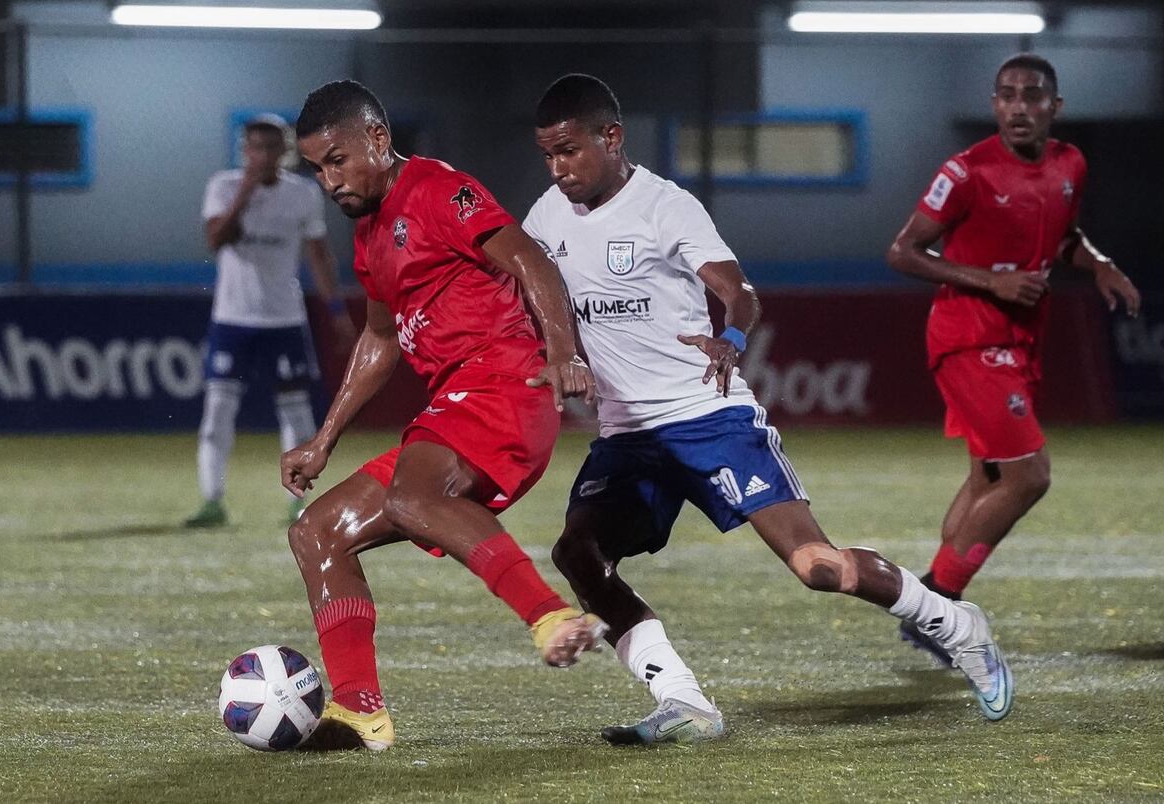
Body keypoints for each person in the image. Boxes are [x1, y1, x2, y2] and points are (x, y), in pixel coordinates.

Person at [524, 73, 1015, 745]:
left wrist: (730, 336)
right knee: (578, 553)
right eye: (548, 155)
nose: (559, 169)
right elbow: (530, 292)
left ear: (612, 137)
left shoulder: (667, 207)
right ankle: (683, 700)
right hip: (629, 434)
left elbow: (739, 291)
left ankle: (957, 625)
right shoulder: (546, 216)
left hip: (707, 417)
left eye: (570, 151)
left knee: (817, 567)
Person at [282, 80, 605, 751]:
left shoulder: (436, 189)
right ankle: (359, 710)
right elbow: (379, 339)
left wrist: (564, 352)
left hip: (504, 384)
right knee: (317, 531)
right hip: (458, 402)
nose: (328, 181)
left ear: (376, 138)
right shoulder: (368, 238)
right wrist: (325, 437)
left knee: (411, 493)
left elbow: (531, 259)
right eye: (316, 170)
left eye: (336, 160)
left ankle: (548, 616)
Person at [887, 54, 1141, 663]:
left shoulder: (1070, 163)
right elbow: (903, 251)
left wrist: (1099, 264)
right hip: (968, 336)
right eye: (1006, 96)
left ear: (1055, 106)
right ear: (995, 105)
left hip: (1021, 341)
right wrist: (988, 282)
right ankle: (937, 605)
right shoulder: (967, 171)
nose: (1018, 106)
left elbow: (1067, 238)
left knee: (991, 477)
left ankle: (930, 609)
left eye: (1032, 96)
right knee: (1029, 473)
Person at [186, 113, 355, 528]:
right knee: (217, 415)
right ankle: (212, 501)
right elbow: (214, 240)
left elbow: (318, 254)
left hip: (284, 320)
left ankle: (297, 502)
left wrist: (336, 311)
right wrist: (245, 192)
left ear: (285, 152)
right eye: (254, 147)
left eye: (270, 147)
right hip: (232, 319)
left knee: (296, 415)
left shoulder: (301, 194)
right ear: (244, 151)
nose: (262, 156)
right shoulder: (223, 187)